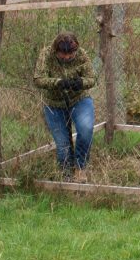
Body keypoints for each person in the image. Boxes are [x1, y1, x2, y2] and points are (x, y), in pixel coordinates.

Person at [33, 32, 96, 182]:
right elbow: (38, 79)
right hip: (54, 103)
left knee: (86, 129)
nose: (67, 58)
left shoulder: (82, 55)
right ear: (56, 50)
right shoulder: (46, 55)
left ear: (76, 50)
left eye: (70, 55)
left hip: (79, 99)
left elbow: (92, 78)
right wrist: (58, 83)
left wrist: (80, 83)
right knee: (63, 145)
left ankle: (80, 168)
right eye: (63, 55)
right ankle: (66, 177)